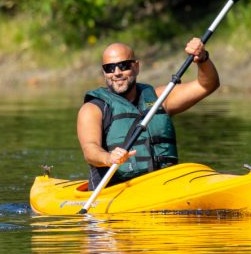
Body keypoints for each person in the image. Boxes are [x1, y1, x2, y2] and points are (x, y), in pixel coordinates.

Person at [77, 39, 219, 190]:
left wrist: (202, 59)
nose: (117, 72)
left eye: (123, 66)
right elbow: (90, 150)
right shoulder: (93, 109)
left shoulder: (159, 99)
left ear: (136, 67)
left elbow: (207, 85)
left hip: (164, 184)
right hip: (117, 189)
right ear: (104, 72)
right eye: (109, 68)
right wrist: (107, 158)